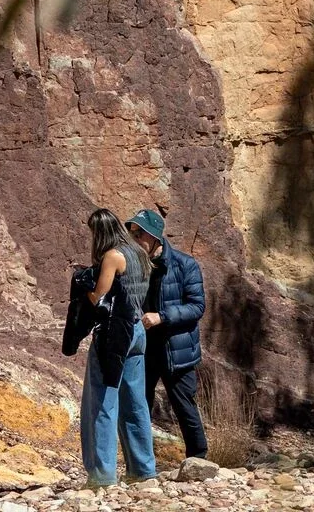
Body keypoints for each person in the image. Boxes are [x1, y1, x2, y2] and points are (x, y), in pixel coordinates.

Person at [61, 208, 157, 487]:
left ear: (100, 232)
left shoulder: (113, 256)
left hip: (114, 335)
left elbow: (100, 300)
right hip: (137, 332)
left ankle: (101, 476)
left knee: (101, 403)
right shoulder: (139, 252)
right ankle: (143, 470)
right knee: (135, 403)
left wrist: (83, 284)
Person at [127, 208, 208, 460]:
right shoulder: (135, 265)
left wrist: (161, 316)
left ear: (154, 237)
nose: (134, 239)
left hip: (177, 351)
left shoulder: (185, 265)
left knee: (185, 408)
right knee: (139, 405)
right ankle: (140, 464)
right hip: (145, 349)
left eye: (139, 233)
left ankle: (199, 461)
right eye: (132, 233)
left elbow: (197, 307)